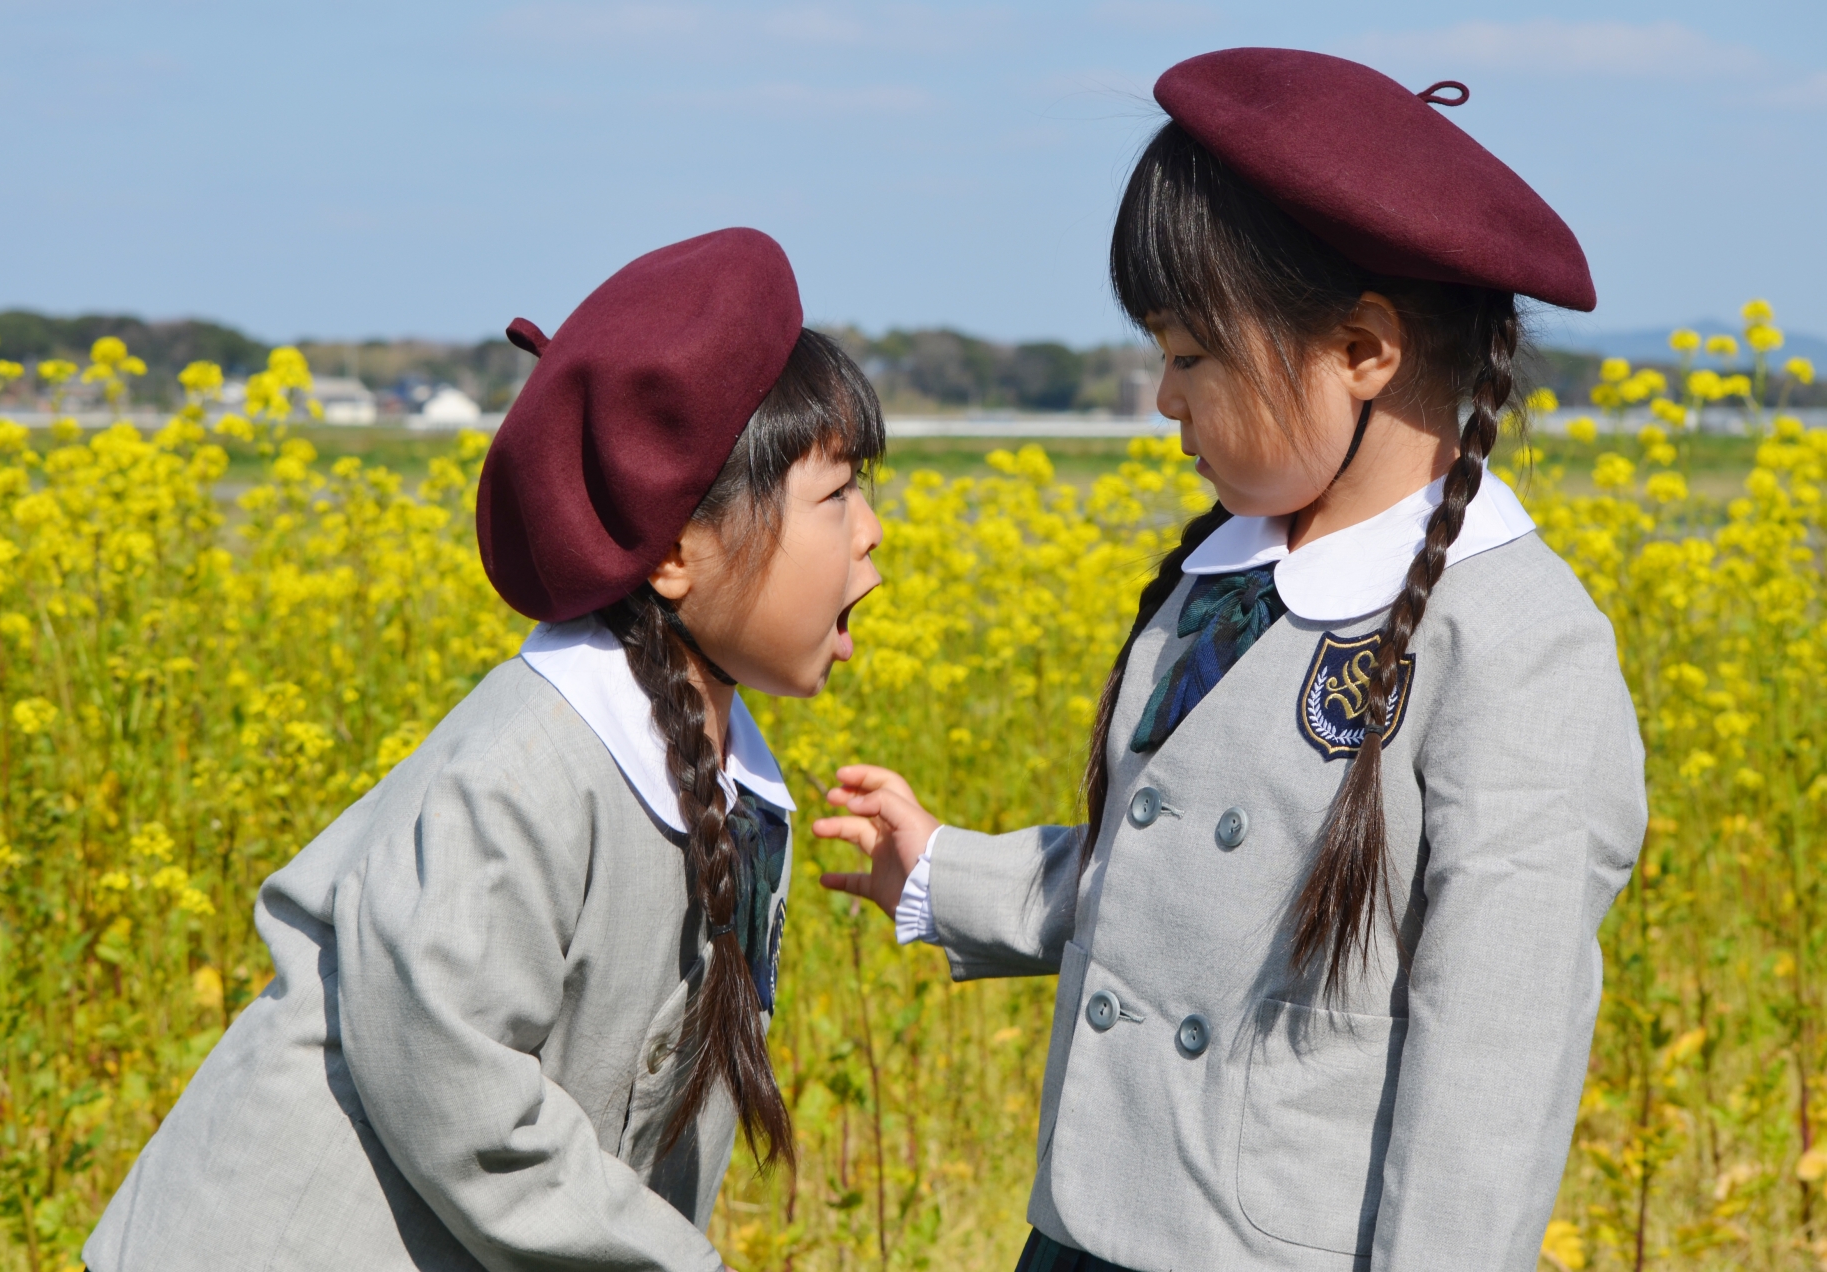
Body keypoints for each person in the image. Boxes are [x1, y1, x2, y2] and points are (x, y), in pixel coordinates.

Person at [816, 48, 1646, 1271]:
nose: (1162, 398)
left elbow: (1492, 1061)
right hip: (1084, 1231)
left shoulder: (1517, 643)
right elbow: (1168, 886)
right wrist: (945, 873)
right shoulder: (1227, 573)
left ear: (1364, 348)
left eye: (1191, 354)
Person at [83, 228, 886, 1272]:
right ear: (680, 554)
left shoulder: (712, 763)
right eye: (836, 497)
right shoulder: (526, 772)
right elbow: (458, 1092)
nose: (871, 531)